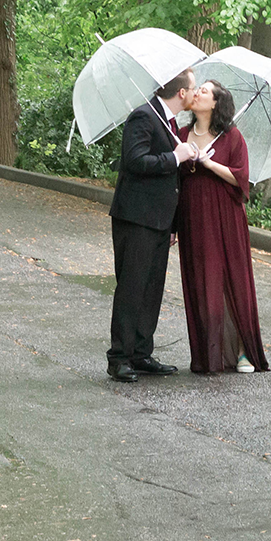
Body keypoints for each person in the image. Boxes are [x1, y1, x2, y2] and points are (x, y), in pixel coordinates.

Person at [106, 70, 199, 382]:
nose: (196, 93)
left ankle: (141, 353)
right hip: (136, 217)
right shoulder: (143, 116)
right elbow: (134, 161)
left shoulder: (170, 122)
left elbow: (168, 180)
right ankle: (119, 358)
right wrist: (174, 157)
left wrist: (172, 224)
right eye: (193, 87)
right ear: (182, 93)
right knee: (132, 287)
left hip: (159, 220)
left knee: (152, 289)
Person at [175, 80, 268, 374]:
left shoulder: (232, 137)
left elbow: (242, 179)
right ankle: (208, 353)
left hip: (225, 218)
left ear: (215, 103)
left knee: (230, 280)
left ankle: (243, 352)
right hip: (193, 217)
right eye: (197, 89)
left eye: (204, 91)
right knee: (200, 281)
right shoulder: (181, 134)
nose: (197, 92)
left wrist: (210, 163)